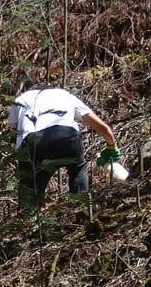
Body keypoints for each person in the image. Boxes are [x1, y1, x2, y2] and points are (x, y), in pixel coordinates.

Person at [7, 86, 120, 214]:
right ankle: (80, 210)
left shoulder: (21, 99)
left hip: (32, 143)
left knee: (30, 188)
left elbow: (17, 128)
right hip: (67, 136)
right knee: (78, 169)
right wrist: (111, 146)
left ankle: (28, 219)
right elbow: (104, 128)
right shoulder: (65, 96)